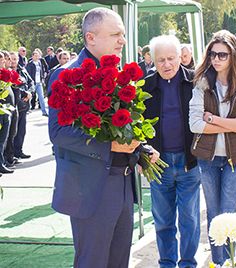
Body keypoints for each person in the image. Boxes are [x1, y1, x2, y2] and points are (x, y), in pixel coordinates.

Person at [48, 7, 159, 268]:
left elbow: (119, 128)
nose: (123, 40)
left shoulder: (119, 75)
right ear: (91, 38)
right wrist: (110, 144)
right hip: (91, 188)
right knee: (93, 262)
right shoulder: (67, 77)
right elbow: (59, 133)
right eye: (115, 34)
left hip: (123, 184)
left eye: (122, 34)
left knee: (119, 261)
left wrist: (140, 149)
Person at [189, 30, 236, 266]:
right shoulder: (201, 83)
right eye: (212, 54)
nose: (216, 59)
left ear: (233, 55)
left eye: (222, 55)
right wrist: (230, 125)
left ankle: (230, 262)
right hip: (207, 158)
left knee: (229, 213)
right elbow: (195, 124)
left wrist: (213, 120)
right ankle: (219, 262)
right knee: (214, 214)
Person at [142, 35, 200, 268]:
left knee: (190, 219)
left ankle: (187, 263)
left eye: (171, 58)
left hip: (190, 162)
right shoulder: (146, 86)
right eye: (161, 60)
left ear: (181, 57)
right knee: (163, 221)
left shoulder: (196, 82)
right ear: (153, 61)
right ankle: (166, 263)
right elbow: (137, 125)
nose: (167, 64)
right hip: (159, 164)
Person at [26, 50, 48, 116]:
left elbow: (42, 71)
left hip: (39, 82)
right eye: (35, 55)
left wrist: (42, 78)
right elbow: (28, 73)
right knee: (30, 96)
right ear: (32, 56)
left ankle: (44, 112)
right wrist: (30, 82)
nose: (36, 57)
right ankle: (27, 109)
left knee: (41, 97)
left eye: (37, 55)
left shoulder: (39, 63)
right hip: (33, 83)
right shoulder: (30, 64)